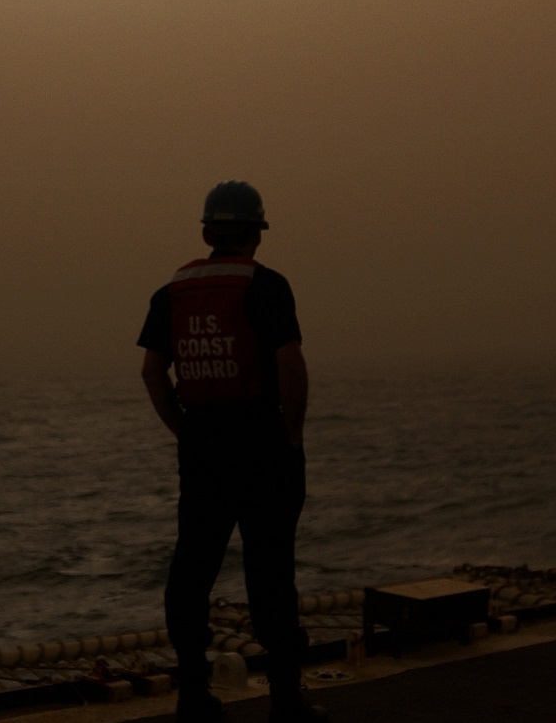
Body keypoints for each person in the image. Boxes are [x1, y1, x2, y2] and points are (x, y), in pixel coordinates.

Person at [136, 180, 324, 723]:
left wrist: (184, 431)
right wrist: (292, 436)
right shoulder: (266, 286)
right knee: (270, 572)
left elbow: (152, 372)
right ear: (255, 235)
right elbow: (290, 365)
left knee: (191, 570)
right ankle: (286, 701)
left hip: (202, 449)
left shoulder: (171, 291)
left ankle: (193, 694)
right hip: (262, 444)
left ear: (205, 231)